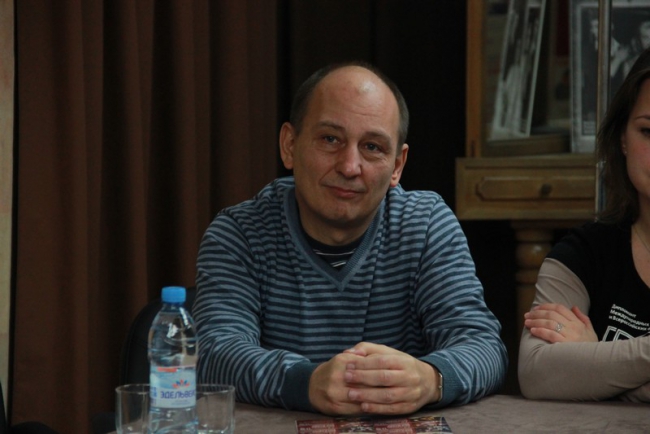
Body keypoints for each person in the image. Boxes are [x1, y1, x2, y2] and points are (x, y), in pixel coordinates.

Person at [193, 61, 508, 415]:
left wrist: (430, 378)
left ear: (397, 166)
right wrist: (306, 382)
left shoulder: (425, 226)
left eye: (372, 146)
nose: (349, 166)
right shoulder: (239, 234)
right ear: (290, 145)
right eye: (330, 139)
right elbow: (212, 354)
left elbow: (483, 346)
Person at [518, 48, 650, 403]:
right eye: (648, 131)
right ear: (623, 139)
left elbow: (571, 376)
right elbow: (537, 373)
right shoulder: (582, 253)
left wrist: (596, 362)